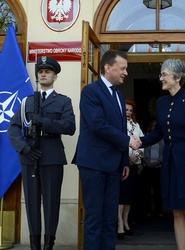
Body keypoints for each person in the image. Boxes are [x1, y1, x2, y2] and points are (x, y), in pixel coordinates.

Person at [136, 59, 185, 250]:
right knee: (177, 212)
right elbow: (158, 133)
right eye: (161, 74)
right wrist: (140, 141)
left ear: (177, 78)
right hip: (171, 163)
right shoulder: (162, 102)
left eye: (164, 74)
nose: (160, 78)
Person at [72, 50, 139, 250]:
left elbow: (118, 128)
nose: (126, 72)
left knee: (110, 218)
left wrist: (124, 161)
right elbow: (97, 125)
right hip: (93, 164)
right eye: (123, 68)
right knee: (94, 219)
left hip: (114, 166)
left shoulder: (119, 95)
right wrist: (128, 140)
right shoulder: (90, 91)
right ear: (108, 68)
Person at [7, 56, 76, 250]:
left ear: (55, 76)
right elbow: (13, 128)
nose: (43, 74)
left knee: (51, 202)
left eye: (47, 72)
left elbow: (70, 126)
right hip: (29, 157)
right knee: (31, 203)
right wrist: (24, 148)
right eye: (40, 72)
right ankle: (35, 245)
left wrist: (45, 122)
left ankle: (48, 245)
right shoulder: (27, 101)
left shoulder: (63, 101)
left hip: (52, 156)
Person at [117, 99, 144, 239]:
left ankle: (126, 222)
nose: (128, 112)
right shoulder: (117, 124)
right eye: (126, 109)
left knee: (129, 196)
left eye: (130, 110)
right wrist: (127, 158)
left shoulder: (136, 125)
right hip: (122, 164)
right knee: (120, 196)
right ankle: (119, 224)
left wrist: (137, 156)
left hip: (133, 165)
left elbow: (142, 143)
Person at [141, 120, 164, 220]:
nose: (154, 128)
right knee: (146, 191)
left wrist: (158, 162)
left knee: (158, 190)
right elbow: (143, 151)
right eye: (153, 126)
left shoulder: (162, 139)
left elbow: (164, 152)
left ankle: (159, 211)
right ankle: (147, 211)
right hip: (147, 167)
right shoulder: (145, 137)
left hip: (158, 168)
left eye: (156, 126)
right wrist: (147, 163)